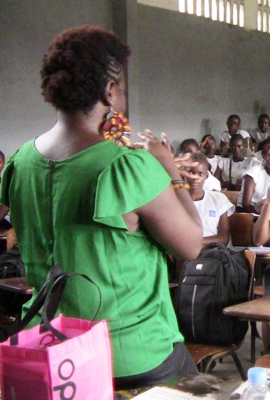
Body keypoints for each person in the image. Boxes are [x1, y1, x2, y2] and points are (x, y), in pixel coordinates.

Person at [0, 26, 203, 389]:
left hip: (51, 351)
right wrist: (171, 173)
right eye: (121, 86)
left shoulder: (20, 163)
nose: (123, 94)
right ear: (110, 91)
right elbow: (190, 245)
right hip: (128, 353)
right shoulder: (126, 166)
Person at [186, 153, 234, 246]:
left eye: (200, 174)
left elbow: (223, 238)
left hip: (212, 252)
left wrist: (194, 243)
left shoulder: (219, 199)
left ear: (206, 176)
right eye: (191, 172)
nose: (195, 178)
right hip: (183, 253)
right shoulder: (176, 200)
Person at [239, 143, 270, 214]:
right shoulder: (253, 173)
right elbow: (246, 204)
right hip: (249, 212)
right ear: (264, 157)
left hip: (268, 211)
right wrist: (261, 215)